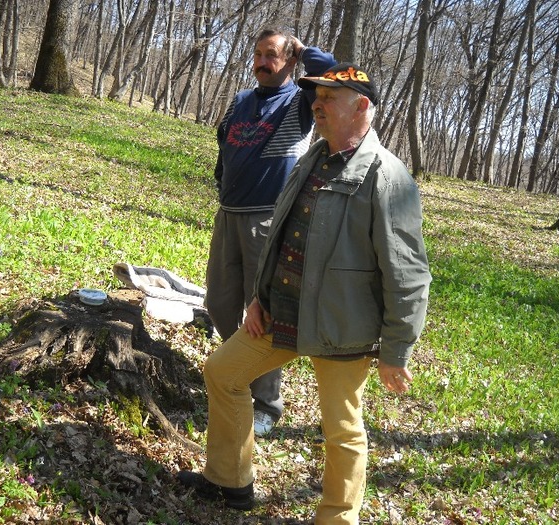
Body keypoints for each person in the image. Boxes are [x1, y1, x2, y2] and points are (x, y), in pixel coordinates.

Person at [179, 62, 432, 524]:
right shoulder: (312, 159)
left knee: (341, 429)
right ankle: (229, 481)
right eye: (315, 96)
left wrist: (396, 349)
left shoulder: (387, 177)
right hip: (282, 313)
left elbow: (409, 274)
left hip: (342, 328)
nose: (317, 103)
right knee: (223, 372)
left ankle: (337, 518)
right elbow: (281, 234)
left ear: (361, 107)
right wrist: (259, 296)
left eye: (329, 98)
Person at [205, 28, 336, 436]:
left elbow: (333, 72)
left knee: (261, 312)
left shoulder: (301, 102)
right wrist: (222, 177)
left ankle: (266, 403)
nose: (263, 62)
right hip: (228, 213)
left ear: (289, 60)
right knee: (220, 303)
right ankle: (236, 375)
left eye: (273, 55)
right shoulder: (242, 99)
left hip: (267, 219)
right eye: (258, 54)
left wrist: (303, 50)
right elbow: (224, 141)